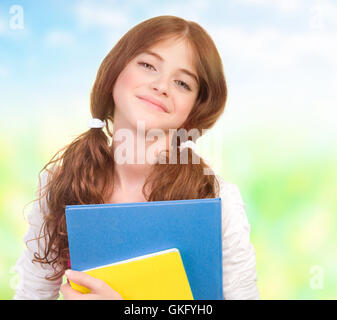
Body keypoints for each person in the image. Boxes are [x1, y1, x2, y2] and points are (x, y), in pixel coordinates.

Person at [13, 15, 260, 300]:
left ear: (194, 110)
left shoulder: (217, 200)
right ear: (115, 73)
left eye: (182, 83)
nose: (162, 85)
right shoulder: (59, 184)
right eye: (147, 65)